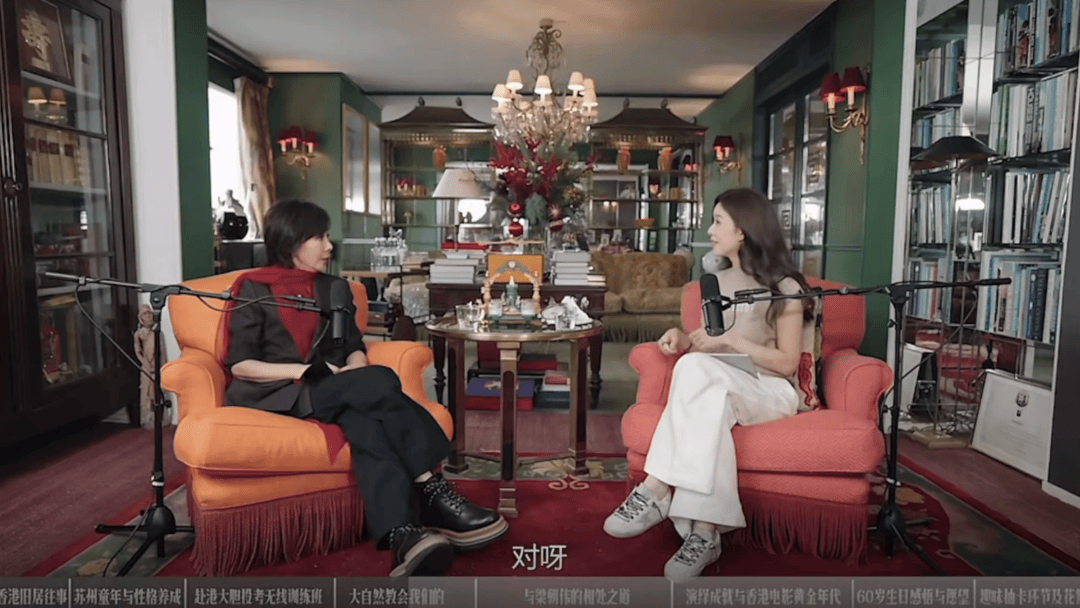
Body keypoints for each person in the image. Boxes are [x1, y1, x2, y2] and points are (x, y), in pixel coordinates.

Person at [219, 200, 508, 577]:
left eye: (327, 237)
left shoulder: (334, 288)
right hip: (278, 392)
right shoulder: (252, 288)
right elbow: (240, 364)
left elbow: (353, 347)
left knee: (366, 422)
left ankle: (403, 538)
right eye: (319, 238)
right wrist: (306, 370)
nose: (329, 247)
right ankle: (431, 488)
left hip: (334, 389)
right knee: (380, 381)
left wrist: (352, 369)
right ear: (291, 242)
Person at [603, 188, 814, 582]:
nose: (710, 230)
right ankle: (705, 533)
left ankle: (657, 486)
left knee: (698, 371)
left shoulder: (786, 287)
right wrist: (682, 338)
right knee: (704, 387)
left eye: (718, 221)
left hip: (772, 391)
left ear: (744, 230)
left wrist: (731, 342)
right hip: (724, 385)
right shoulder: (716, 281)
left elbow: (787, 362)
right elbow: (708, 341)